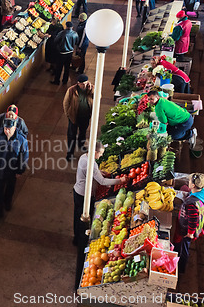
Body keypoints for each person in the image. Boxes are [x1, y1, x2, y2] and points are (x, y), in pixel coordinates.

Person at [73, 141, 126, 289]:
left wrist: (99, 172)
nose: (101, 155)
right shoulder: (90, 163)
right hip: (84, 195)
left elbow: (94, 174)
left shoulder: (84, 157)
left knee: (76, 216)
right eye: (100, 153)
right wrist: (119, 180)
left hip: (77, 191)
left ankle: (75, 238)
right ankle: (80, 240)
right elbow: (102, 181)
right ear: (95, 152)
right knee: (82, 218)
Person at [0, 118, 29, 220]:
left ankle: (8, 202)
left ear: (15, 128)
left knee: (10, 188)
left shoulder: (21, 139)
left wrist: (20, 170)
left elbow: (24, 156)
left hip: (12, 171)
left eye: (9, 129)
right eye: (6, 128)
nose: (7, 131)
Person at [173, 173, 204, 273]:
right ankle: (175, 255)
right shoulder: (202, 193)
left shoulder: (192, 203)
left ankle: (180, 268)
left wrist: (190, 233)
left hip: (187, 230)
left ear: (194, 185)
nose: (188, 183)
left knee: (183, 249)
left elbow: (193, 219)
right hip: (189, 225)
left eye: (189, 181)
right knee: (180, 245)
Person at [63, 74, 93, 161]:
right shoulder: (72, 90)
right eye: (81, 84)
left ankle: (81, 144)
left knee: (83, 131)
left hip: (86, 116)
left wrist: (91, 90)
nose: (83, 85)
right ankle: (70, 153)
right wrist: (68, 114)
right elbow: (66, 103)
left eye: (85, 83)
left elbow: (99, 97)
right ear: (78, 83)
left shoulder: (91, 88)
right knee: (71, 135)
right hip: (74, 116)